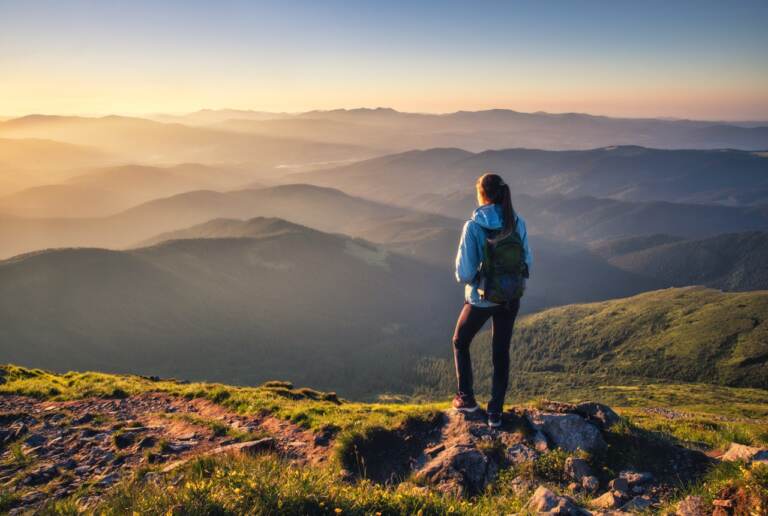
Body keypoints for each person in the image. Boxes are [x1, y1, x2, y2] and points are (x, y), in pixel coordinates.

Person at [452, 173, 532, 428]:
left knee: (460, 341)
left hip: (482, 298)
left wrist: (477, 278)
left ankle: (466, 398)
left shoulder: (473, 226)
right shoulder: (517, 222)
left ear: (482, 194)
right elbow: (527, 261)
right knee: (501, 352)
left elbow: (464, 273)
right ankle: (495, 412)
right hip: (511, 297)